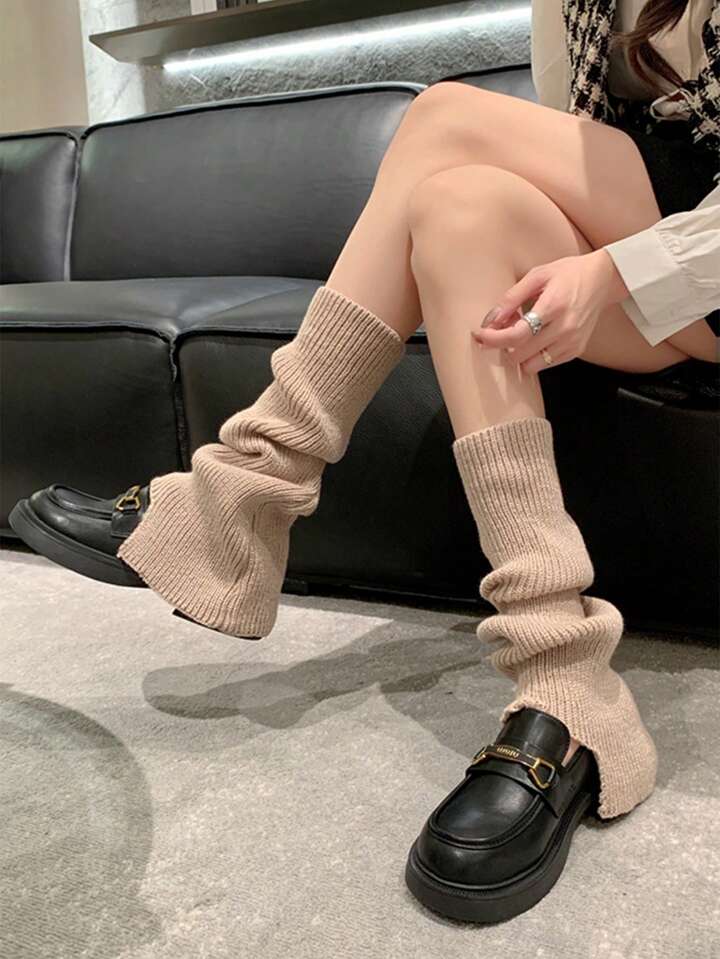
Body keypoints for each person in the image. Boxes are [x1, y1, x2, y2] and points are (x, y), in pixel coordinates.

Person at [10, 0, 719, 924]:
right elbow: (569, 137)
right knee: (457, 208)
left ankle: (248, 492)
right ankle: (565, 675)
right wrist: (598, 261)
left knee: (445, 115)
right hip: (659, 261)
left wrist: (617, 271)